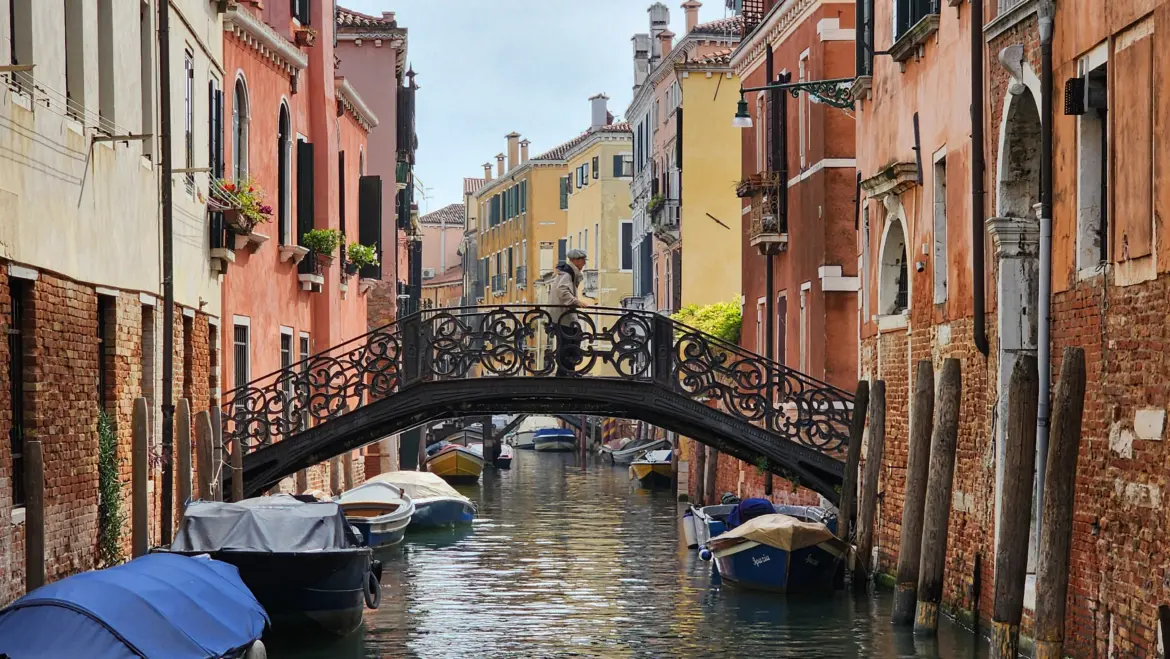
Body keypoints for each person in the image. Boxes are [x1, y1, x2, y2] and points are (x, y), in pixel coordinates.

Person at [551, 248, 589, 376]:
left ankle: (568, 370)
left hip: (564, 317)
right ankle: (564, 372)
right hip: (563, 317)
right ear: (575, 260)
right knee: (567, 343)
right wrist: (576, 302)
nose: (584, 263)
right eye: (583, 260)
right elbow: (562, 291)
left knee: (572, 340)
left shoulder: (569, 273)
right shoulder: (567, 274)